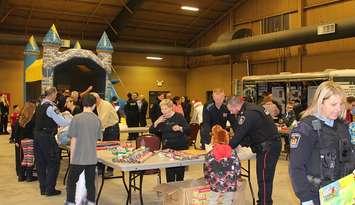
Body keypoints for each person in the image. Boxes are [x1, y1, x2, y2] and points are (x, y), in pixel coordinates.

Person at [289, 81, 355, 205]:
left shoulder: (341, 126)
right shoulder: (305, 129)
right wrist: (305, 198)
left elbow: (348, 154)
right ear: (321, 102)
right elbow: (296, 168)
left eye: (341, 104)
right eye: (333, 104)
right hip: (316, 194)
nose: (338, 109)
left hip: (342, 191)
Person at [226, 96, 281, 205]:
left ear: (235, 105)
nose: (231, 113)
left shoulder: (248, 113)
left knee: (264, 180)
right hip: (268, 146)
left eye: (231, 110)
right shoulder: (253, 108)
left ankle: (264, 203)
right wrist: (240, 144)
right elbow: (250, 133)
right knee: (264, 178)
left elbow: (239, 134)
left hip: (268, 147)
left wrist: (225, 149)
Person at [65, 94, 102, 205]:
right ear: (94, 105)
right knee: (90, 183)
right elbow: (97, 140)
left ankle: (70, 202)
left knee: (71, 182)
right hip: (91, 158)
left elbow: (73, 140)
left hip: (78, 158)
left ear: (82, 103)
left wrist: (71, 157)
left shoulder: (76, 118)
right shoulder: (97, 120)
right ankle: (91, 202)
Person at [34, 87, 71, 196]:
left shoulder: (40, 105)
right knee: (53, 162)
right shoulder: (51, 107)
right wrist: (71, 120)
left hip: (37, 136)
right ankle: (50, 189)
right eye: (56, 94)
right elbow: (62, 122)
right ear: (53, 94)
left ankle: (43, 188)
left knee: (41, 163)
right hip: (47, 137)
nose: (56, 96)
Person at [149, 99, 191, 182]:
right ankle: (170, 192)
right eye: (162, 109)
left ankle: (179, 191)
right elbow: (151, 131)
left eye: (165, 109)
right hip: (167, 147)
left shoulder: (179, 116)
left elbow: (188, 130)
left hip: (180, 146)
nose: (163, 111)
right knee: (169, 173)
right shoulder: (161, 118)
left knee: (179, 173)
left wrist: (180, 128)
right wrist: (157, 122)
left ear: (171, 108)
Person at [204, 125, 241, 205]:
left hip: (215, 181)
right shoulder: (233, 152)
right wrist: (238, 179)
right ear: (227, 139)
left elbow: (207, 168)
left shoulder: (210, 154)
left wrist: (207, 180)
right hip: (230, 181)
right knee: (228, 200)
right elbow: (237, 167)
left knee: (213, 199)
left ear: (214, 139)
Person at [91, 92, 119, 177]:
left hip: (112, 128)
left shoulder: (105, 105)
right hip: (107, 128)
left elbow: (102, 121)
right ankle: (100, 169)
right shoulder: (98, 105)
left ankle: (110, 170)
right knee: (102, 149)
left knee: (110, 149)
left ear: (96, 99)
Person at [15, 101, 37, 182]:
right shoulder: (33, 119)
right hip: (30, 139)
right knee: (30, 158)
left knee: (25, 157)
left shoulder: (22, 118)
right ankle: (29, 176)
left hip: (23, 141)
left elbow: (17, 130)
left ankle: (21, 176)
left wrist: (17, 140)